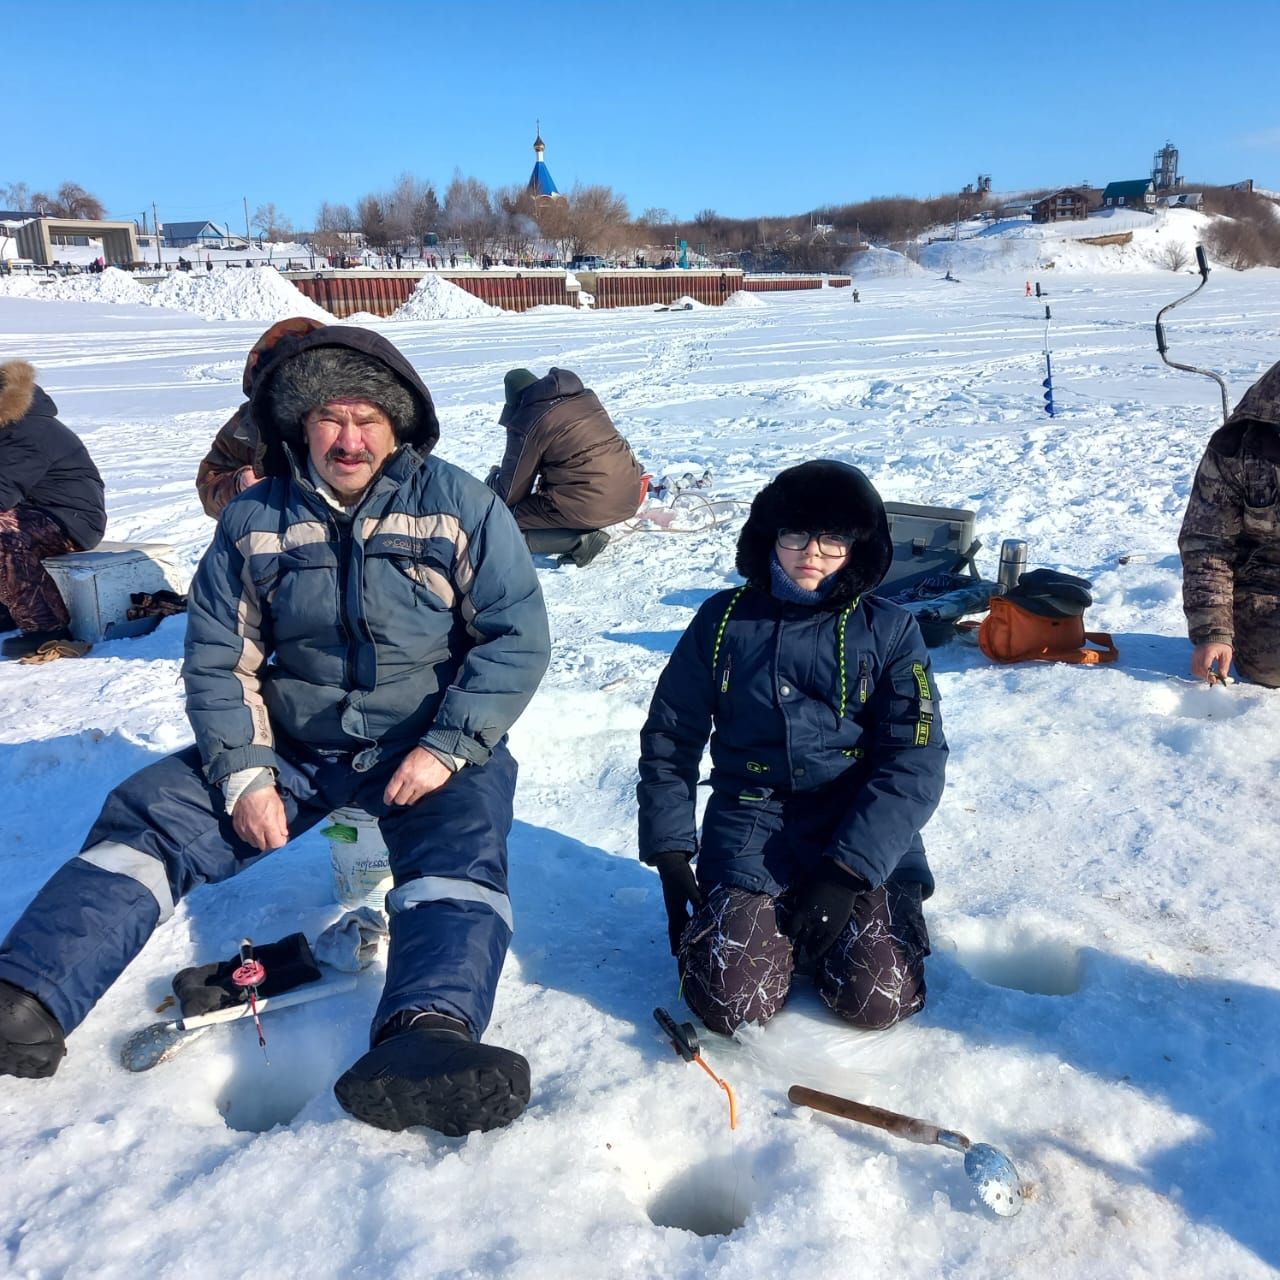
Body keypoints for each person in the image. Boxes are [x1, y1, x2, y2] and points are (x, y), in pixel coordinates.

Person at [0, 325, 552, 1138]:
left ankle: (426, 1033)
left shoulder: (461, 505)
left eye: (368, 417)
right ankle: (29, 992)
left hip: (424, 744)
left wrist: (448, 749)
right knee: (149, 815)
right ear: (299, 425)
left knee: (460, 853)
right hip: (290, 746)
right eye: (331, 417)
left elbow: (517, 639)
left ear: (399, 424)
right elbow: (221, 658)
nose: (350, 437)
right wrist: (245, 774)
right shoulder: (255, 516)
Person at [637, 460, 947, 1036]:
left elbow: (916, 759)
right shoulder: (722, 620)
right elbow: (669, 737)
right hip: (753, 819)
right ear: (769, 536)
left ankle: (868, 912)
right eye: (795, 533)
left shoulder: (893, 630)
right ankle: (768, 921)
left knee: (878, 1000)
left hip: (858, 823)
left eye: (833, 538)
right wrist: (672, 855)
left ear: (859, 544)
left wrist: (848, 872)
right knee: (728, 1003)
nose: (812, 552)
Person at [1179, 358, 1280, 686]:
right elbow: (1207, 546)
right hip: (1266, 587)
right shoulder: (1240, 449)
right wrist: (1214, 631)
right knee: (1272, 661)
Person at [0, 361, 107, 659]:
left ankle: (47, 627)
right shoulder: (10, 426)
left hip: (72, 520)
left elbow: (3, 492)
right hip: (37, 513)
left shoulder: (30, 431)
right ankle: (8, 609)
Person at [487, 367, 644, 567]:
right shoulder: (584, 400)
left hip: (592, 506)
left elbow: (510, 493)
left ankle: (576, 541)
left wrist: (494, 479)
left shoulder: (529, 421)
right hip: (630, 494)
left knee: (500, 519)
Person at [196, 316, 326, 518]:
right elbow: (209, 484)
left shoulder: (357, 414)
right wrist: (238, 484)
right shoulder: (248, 423)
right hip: (270, 537)